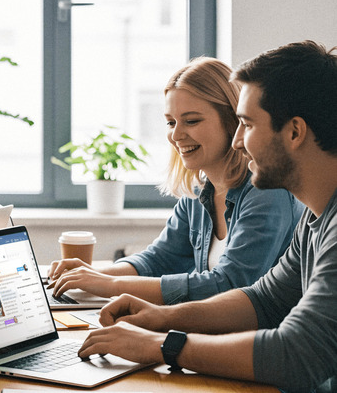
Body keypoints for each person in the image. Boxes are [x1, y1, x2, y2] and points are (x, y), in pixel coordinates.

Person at [78, 41, 337, 392]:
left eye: (246, 124)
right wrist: (160, 317)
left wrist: (160, 345)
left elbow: (294, 354)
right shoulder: (316, 219)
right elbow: (263, 300)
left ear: (294, 132)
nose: (237, 142)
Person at [48, 57, 304, 305]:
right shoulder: (198, 193)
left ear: (232, 121)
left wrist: (111, 284)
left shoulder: (267, 192)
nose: (176, 135)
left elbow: (229, 284)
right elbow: (158, 260)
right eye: (171, 122)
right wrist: (94, 275)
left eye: (191, 121)